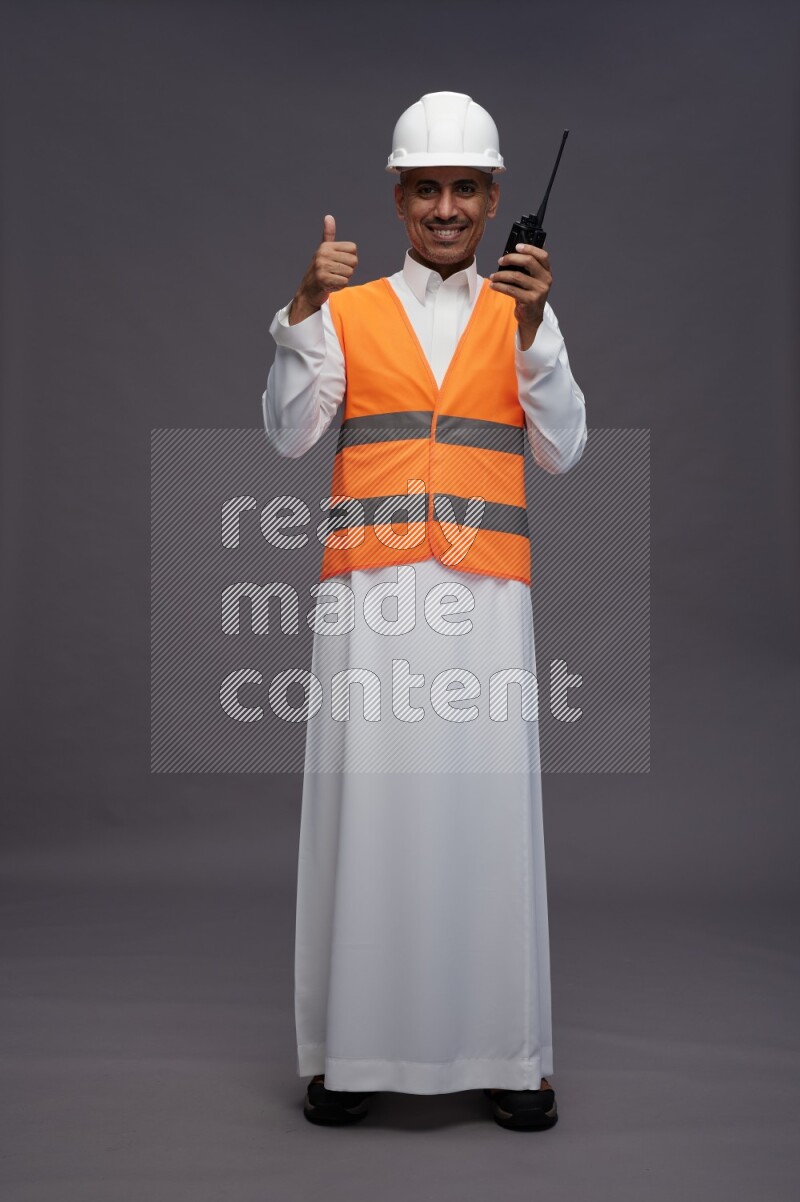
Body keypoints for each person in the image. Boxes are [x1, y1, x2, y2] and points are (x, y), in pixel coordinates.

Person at [262, 91, 587, 1131]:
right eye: (424, 188)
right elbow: (285, 435)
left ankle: (506, 1049)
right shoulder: (346, 310)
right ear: (397, 196)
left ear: (494, 199)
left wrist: (533, 337)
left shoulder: (523, 308)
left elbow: (562, 447)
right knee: (370, 810)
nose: (443, 206)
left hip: (484, 597)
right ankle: (354, 1050)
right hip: (368, 597)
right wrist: (297, 315)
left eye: (463, 187)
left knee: (485, 814)